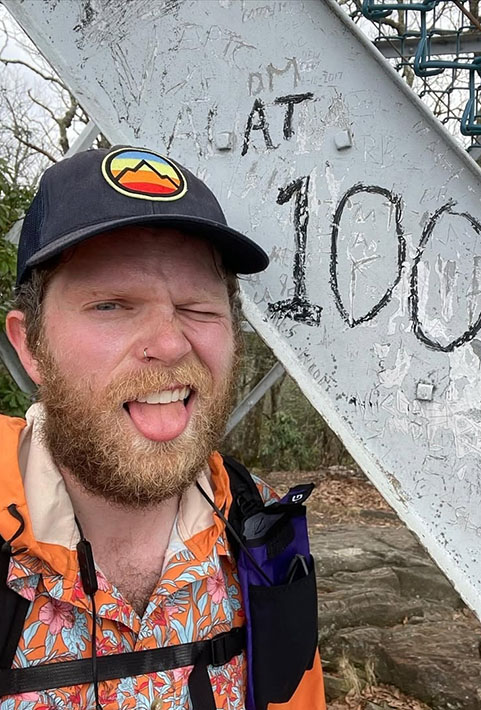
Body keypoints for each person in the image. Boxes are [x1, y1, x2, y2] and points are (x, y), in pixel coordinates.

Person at [0, 146, 325, 709]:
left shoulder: (265, 540)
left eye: (199, 307)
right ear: (31, 347)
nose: (172, 343)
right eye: (111, 305)